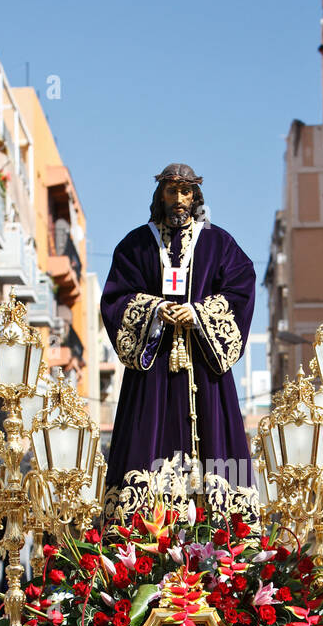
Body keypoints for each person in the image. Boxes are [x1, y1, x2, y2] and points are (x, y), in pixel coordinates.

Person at [100, 163, 255, 495]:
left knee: (216, 447)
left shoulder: (219, 243)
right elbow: (116, 297)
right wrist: (156, 309)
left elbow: (241, 289)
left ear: (196, 196)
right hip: (152, 371)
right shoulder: (136, 245)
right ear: (161, 195)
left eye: (186, 192)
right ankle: (141, 532)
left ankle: (220, 531)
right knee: (145, 440)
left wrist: (198, 314)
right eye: (172, 191)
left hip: (204, 366)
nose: (179, 199)